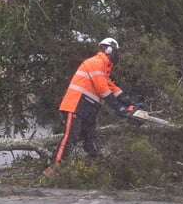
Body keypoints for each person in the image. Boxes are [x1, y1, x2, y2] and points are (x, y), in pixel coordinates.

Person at [46, 37, 135, 173]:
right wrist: (118, 108)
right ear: (109, 50)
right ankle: (53, 170)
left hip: (87, 109)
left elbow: (112, 87)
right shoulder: (95, 63)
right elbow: (102, 89)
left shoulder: (103, 70)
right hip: (75, 105)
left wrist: (129, 102)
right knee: (71, 137)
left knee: (90, 141)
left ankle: (93, 171)